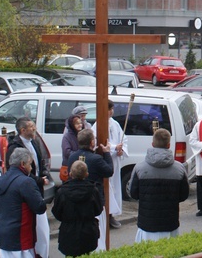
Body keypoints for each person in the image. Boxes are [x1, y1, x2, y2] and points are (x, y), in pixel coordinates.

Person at [130, 128, 190, 241]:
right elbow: (184, 194)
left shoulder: (139, 168)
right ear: (168, 145)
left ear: (152, 144)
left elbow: (133, 193)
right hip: (170, 222)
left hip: (147, 222)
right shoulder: (179, 168)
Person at [5, 117, 52, 258]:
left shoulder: (34, 142)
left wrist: (43, 174)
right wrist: (37, 180)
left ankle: (41, 251)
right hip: (28, 187)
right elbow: (17, 170)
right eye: (31, 126)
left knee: (41, 225)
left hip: (37, 185)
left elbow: (40, 161)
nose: (34, 129)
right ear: (22, 130)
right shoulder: (14, 147)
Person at [63, 129, 113, 252]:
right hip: (93, 203)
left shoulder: (73, 157)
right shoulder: (96, 159)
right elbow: (109, 171)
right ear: (92, 142)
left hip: (75, 203)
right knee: (98, 236)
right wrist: (106, 153)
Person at [0, 148, 47, 257]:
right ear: (22, 164)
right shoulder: (26, 182)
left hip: (4, 234)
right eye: (30, 164)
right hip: (22, 236)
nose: (31, 168)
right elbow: (40, 207)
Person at [51, 161, 103, 257]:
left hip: (68, 232)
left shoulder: (62, 191)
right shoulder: (93, 190)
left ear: (70, 174)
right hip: (88, 232)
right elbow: (98, 210)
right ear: (87, 174)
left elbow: (57, 212)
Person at [92, 99, 128, 229]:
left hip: (115, 161)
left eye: (112, 109)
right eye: (109, 109)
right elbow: (97, 142)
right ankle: (107, 214)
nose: (111, 111)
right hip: (105, 160)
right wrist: (113, 147)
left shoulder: (115, 124)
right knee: (108, 188)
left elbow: (124, 138)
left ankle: (112, 213)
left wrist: (121, 149)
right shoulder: (97, 125)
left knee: (115, 188)